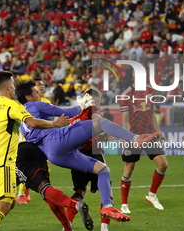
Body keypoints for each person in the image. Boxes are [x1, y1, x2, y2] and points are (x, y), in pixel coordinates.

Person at [17, 80, 161, 222]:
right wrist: (81, 105)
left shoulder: (21, 119)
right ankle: (135, 138)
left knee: (102, 169)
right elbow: (66, 112)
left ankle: (106, 208)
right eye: (36, 92)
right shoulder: (34, 104)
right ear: (28, 97)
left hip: (54, 154)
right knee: (101, 123)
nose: (39, 93)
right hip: (59, 140)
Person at [0, 71, 71, 231]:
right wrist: (56, 124)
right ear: (7, 87)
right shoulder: (12, 105)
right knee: (3, 206)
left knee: (8, 203)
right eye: (13, 85)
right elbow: (32, 122)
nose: (14, 89)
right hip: (4, 164)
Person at [0, 142, 91, 231]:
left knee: (4, 205)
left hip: (18, 157)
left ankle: (75, 204)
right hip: (31, 148)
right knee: (45, 192)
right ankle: (68, 228)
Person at [118, 69, 168, 214]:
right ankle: (124, 205)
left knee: (163, 164)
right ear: (133, 74)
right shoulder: (126, 95)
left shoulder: (151, 91)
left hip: (150, 135)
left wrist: (158, 132)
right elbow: (125, 120)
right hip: (134, 137)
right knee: (129, 169)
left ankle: (151, 195)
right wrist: (126, 137)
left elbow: (152, 115)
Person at [66, 88, 115, 231]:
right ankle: (104, 228)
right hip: (93, 153)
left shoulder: (74, 114)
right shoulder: (94, 110)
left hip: (76, 155)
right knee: (106, 192)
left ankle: (67, 226)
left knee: (79, 191)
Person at [16, 77, 51, 204]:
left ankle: (31, 190)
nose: (41, 87)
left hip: (44, 139)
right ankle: (20, 193)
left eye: (42, 85)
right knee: (27, 167)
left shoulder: (46, 101)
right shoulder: (24, 104)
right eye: (38, 85)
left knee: (45, 166)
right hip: (29, 138)